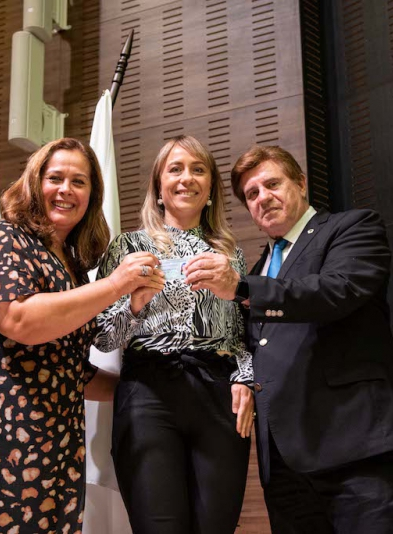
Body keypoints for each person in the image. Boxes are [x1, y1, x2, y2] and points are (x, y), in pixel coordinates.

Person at [0, 138, 164, 533]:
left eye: (79, 181)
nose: (66, 189)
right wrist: (114, 285)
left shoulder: (74, 269)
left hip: (43, 447)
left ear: (92, 197)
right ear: (34, 184)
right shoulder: (6, 238)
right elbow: (18, 321)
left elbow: (68, 370)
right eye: (55, 178)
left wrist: (144, 390)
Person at [183, 145, 393, 534]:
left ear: (301, 184)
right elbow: (254, 346)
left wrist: (241, 287)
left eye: (272, 184)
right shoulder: (259, 268)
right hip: (284, 464)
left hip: (354, 447)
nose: (263, 198)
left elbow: (336, 290)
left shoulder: (352, 227)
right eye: (252, 194)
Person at [94, 135, 254, 534]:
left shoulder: (230, 254)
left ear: (211, 189)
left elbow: (243, 335)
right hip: (148, 395)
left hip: (218, 397)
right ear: (159, 186)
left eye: (198, 170)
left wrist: (246, 377)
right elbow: (102, 339)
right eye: (175, 169)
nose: (187, 178)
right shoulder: (127, 246)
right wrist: (135, 305)